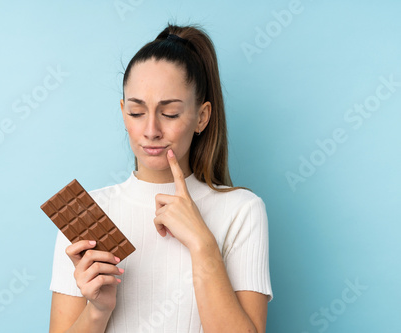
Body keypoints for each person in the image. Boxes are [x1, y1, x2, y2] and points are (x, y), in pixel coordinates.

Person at [48, 23, 273, 333]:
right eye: (137, 112)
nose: (151, 130)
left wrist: (202, 243)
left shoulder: (242, 211)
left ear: (201, 117)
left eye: (169, 114)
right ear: (123, 112)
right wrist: (99, 310)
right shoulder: (84, 214)